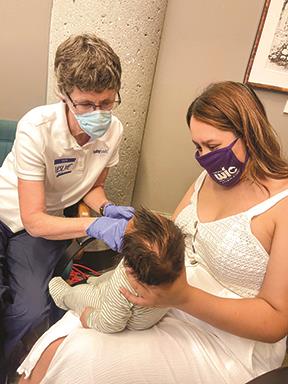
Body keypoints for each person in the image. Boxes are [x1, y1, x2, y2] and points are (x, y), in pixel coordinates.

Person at [18, 81, 288, 384]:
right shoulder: (207, 178)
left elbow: (276, 322)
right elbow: (175, 237)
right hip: (165, 302)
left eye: (213, 146)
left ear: (250, 133)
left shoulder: (283, 206)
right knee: (62, 339)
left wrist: (182, 297)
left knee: (83, 351)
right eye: (198, 147)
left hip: (225, 339)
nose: (205, 157)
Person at [0, 33, 134, 381]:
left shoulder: (114, 130)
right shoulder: (37, 127)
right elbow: (32, 219)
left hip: (43, 226)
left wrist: (107, 209)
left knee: (30, 311)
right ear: (64, 95)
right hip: (10, 215)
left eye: (107, 102)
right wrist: (92, 227)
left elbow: (93, 186)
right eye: (87, 104)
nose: (99, 113)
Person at [48, 207, 184, 332]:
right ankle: (94, 282)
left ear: (129, 268)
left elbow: (110, 323)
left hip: (117, 310)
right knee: (106, 279)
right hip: (144, 312)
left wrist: (90, 318)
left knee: (78, 294)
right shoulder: (174, 266)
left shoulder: (123, 284)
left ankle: (62, 294)